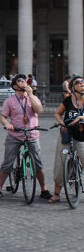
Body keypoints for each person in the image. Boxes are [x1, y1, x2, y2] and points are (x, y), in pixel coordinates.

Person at [0, 74, 52, 200]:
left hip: (32, 134)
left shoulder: (32, 98)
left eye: (24, 80)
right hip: (15, 135)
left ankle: (44, 189)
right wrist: (7, 124)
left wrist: (30, 95)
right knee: (8, 162)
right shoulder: (10, 101)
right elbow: (3, 116)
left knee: (38, 163)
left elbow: (39, 110)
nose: (23, 82)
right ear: (14, 86)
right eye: (20, 80)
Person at [48, 75, 84, 203]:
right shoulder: (68, 101)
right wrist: (62, 123)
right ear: (73, 87)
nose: (82, 84)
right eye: (78, 82)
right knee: (60, 162)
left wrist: (80, 118)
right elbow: (57, 113)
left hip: (82, 136)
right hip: (67, 134)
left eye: (83, 82)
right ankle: (57, 194)